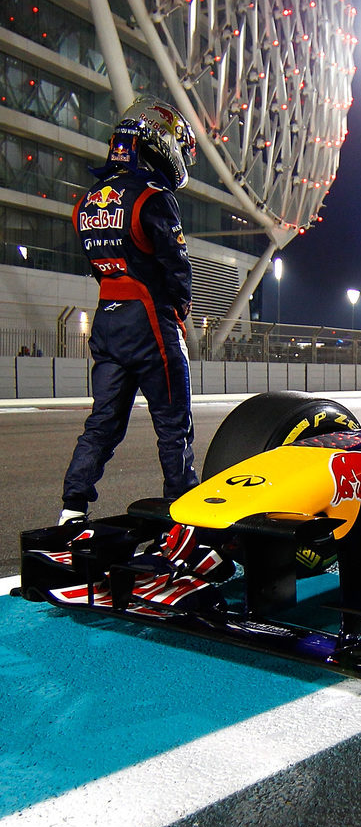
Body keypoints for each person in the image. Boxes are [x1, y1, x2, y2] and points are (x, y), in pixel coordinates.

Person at [59, 97, 199, 525]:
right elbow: (175, 267)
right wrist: (179, 307)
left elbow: (101, 266)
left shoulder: (85, 203)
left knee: (102, 423)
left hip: (107, 318)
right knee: (174, 425)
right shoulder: (152, 196)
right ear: (158, 141)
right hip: (149, 322)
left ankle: (72, 509)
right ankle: (185, 516)